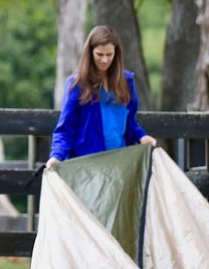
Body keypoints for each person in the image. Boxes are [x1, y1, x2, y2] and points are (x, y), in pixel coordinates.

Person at [45, 26, 156, 169]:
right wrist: (56, 156)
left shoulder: (127, 82)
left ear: (116, 53)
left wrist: (141, 136)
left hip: (120, 163)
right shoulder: (77, 84)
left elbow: (129, 123)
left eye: (109, 54)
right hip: (87, 165)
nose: (104, 60)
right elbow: (66, 128)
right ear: (90, 52)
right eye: (99, 54)